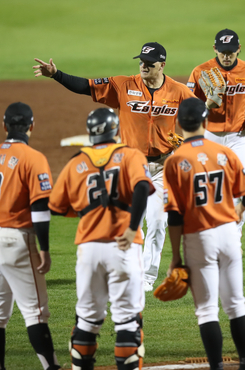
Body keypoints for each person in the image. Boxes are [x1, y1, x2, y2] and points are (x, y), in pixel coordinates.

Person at [34, 42, 195, 291]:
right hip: (130, 167)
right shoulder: (123, 84)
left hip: (163, 168)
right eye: (141, 61)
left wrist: (211, 106)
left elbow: (197, 116)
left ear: (162, 65)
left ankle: (147, 277)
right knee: (126, 219)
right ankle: (122, 268)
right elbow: (85, 87)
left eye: (149, 63)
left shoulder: (179, 91)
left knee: (157, 221)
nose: (143, 65)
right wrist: (56, 74)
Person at [49, 108, 153, 370]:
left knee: (86, 320)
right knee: (128, 322)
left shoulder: (75, 163)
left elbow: (57, 206)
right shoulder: (130, 155)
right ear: (116, 129)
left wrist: (88, 211)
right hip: (123, 246)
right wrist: (131, 227)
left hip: (88, 249)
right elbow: (142, 187)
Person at [162, 98, 245, 370]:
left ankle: (216, 367)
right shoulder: (225, 153)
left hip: (199, 239)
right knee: (237, 305)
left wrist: (175, 256)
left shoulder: (175, 161)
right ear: (205, 122)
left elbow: (175, 216)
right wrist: (237, 210)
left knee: (206, 311)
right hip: (229, 234)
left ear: (179, 124)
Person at [0, 102, 61, 370]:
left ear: (4, 126)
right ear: (31, 126)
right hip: (14, 240)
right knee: (35, 312)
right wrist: (44, 248)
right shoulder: (34, 158)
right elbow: (41, 209)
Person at [187, 29, 245, 232]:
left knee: (239, 188)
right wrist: (206, 106)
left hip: (237, 138)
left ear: (239, 49)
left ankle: (234, 239)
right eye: (223, 52)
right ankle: (209, 235)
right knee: (208, 187)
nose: (227, 56)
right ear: (215, 49)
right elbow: (188, 107)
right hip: (209, 137)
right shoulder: (200, 72)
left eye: (231, 52)